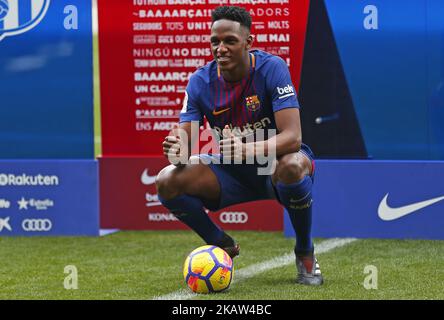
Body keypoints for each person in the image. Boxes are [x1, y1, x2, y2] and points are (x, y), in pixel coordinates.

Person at [156, 6, 323, 286]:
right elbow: (184, 145)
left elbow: (293, 137)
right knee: (166, 180)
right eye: (214, 41)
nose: (220, 48)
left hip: (275, 166)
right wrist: (177, 150)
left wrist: (248, 150)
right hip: (231, 171)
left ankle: (305, 252)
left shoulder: (272, 68)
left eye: (230, 41)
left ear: (248, 42)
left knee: (293, 166)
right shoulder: (200, 82)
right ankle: (221, 244)